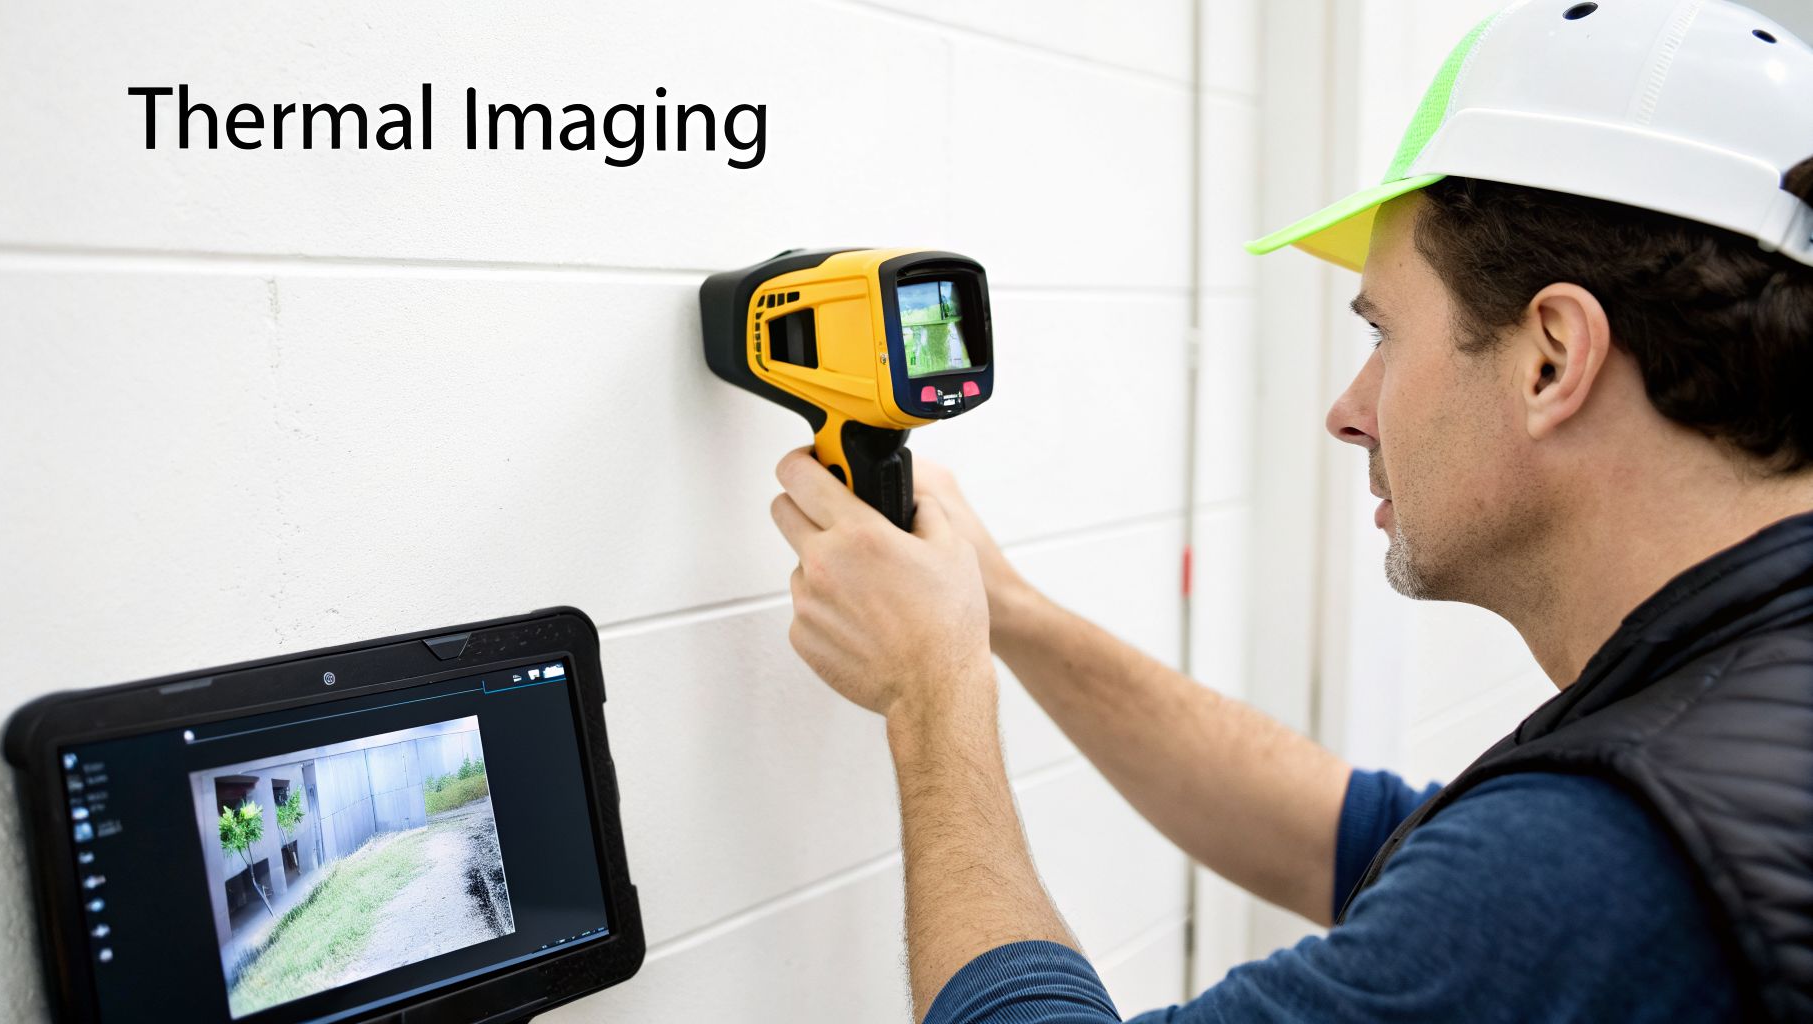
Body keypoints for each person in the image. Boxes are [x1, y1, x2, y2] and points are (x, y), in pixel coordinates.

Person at [769, 1, 1813, 1020]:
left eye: (1382, 336)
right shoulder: (1740, 709)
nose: (1346, 413)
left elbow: (1510, 888)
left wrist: (932, 695)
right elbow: (1375, 844)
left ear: (1551, 357)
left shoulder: (1607, 856)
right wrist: (1004, 611)